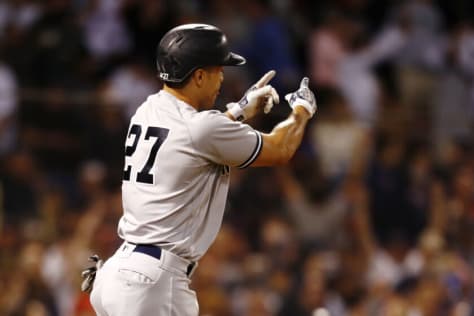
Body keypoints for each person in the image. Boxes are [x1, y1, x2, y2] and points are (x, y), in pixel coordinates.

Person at [86, 23, 317, 316]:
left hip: (118, 273)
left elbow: (197, 138)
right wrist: (302, 111)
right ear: (197, 76)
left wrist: (239, 111)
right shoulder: (201, 128)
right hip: (154, 281)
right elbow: (280, 149)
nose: (221, 77)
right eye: (217, 70)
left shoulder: (147, 108)